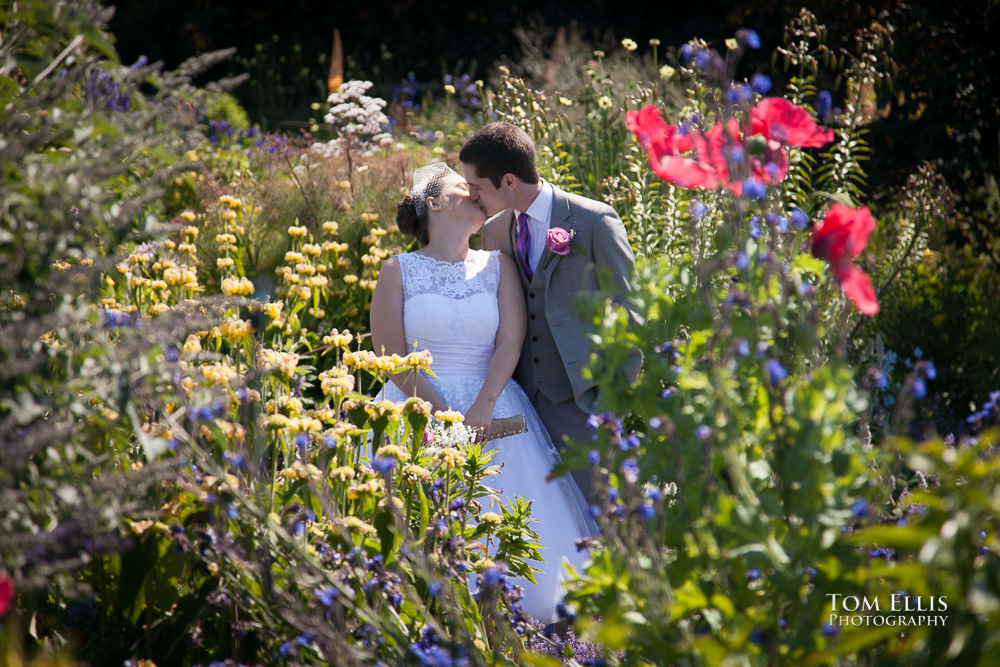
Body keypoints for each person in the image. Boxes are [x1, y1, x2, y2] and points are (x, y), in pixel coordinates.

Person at [369, 162, 594, 622]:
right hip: (417, 408)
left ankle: (515, 626)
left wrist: (483, 406)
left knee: (504, 519)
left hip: (494, 407)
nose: (474, 192)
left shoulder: (498, 265)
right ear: (433, 203)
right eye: (462, 186)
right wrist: (442, 414)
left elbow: (511, 340)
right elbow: (389, 351)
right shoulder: (397, 270)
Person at [459, 123, 638, 503]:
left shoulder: (593, 221)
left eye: (476, 188)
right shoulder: (493, 232)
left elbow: (631, 314)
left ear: (508, 181)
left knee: (601, 518)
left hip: (583, 404)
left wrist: (609, 401)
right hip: (521, 405)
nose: (471, 197)